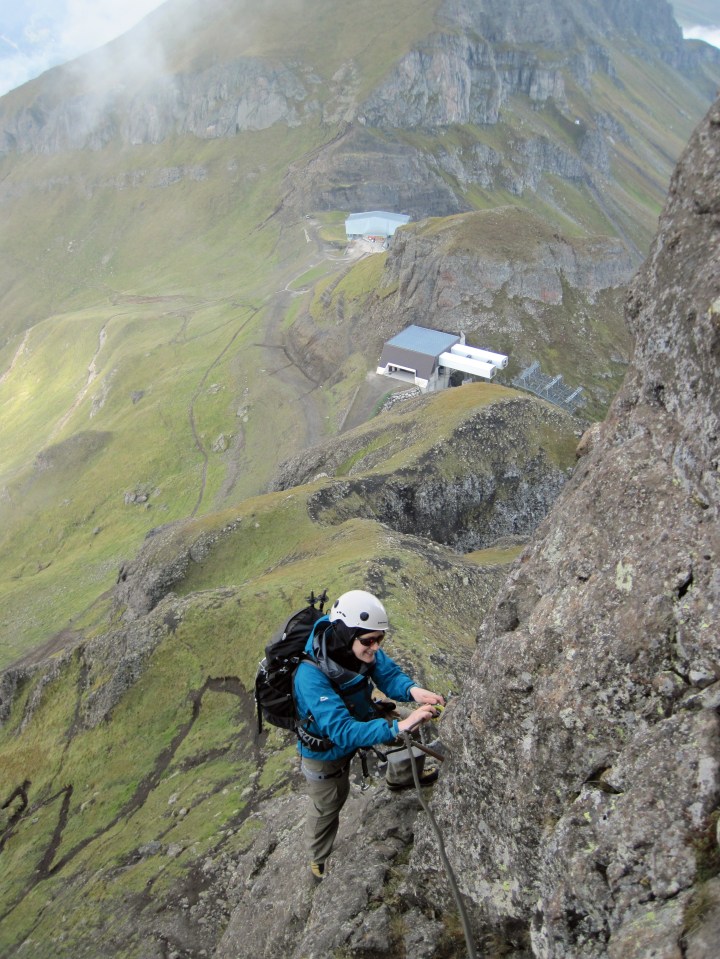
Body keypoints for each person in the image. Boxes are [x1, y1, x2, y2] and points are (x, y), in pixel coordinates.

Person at [293, 589, 445, 881]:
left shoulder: (360, 643)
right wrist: (398, 726)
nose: (375, 647)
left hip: (361, 715)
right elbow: (341, 730)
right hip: (324, 750)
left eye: (380, 640)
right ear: (345, 634)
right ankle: (318, 858)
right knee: (329, 803)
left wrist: (414, 691)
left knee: (406, 724)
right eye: (369, 641)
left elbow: (387, 675)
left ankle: (401, 777)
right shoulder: (309, 675)